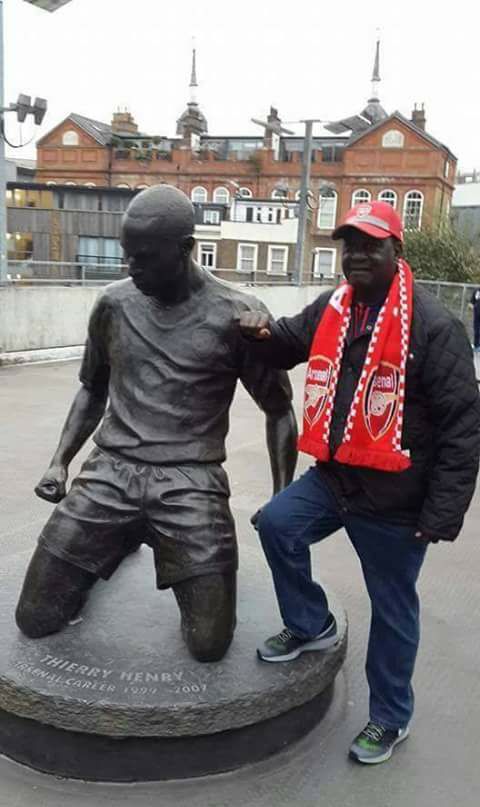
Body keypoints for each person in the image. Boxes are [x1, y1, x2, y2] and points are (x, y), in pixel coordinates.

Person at [239, 200, 480, 764]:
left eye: (371, 244)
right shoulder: (334, 308)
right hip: (335, 479)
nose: (358, 255)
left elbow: (464, 430)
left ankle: (389, 718)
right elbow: (288, 342)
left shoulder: (434, 326)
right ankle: (311, 623)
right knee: (277, 524)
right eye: (350, 245)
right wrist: (258, 333)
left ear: (397, 251)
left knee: (392, 611)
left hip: (397, 500)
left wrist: (441, 515)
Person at [15, 185, 297, 663]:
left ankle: (160, 548)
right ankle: (116, 540)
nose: (132, 268)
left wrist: (281, 500)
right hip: (111, 472)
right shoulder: (113, 305)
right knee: (35, 618)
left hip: (192, 480)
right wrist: (58, 462)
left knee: (209, 643)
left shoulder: (237, 315)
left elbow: (279, 410)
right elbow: (92, 389)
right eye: (128, 256)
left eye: (145, 257)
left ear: (186, 249)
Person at [469, 286, 480, 350]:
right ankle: (476, 345)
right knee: (476, 330)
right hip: (477, 314)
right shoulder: (476, 291)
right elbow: (471, 302)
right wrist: (474, 308)